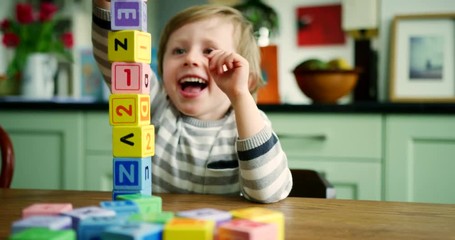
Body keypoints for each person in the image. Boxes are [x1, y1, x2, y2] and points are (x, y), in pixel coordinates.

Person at [92, 0, 292, 203]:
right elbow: (120, 58)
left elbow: (268, 192)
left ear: (245, 79)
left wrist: (241, 96)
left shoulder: (249, 124)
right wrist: (105, 8)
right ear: (161, 68)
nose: (191, 59)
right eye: (179, 51)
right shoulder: (155, 105)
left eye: (209, 51)